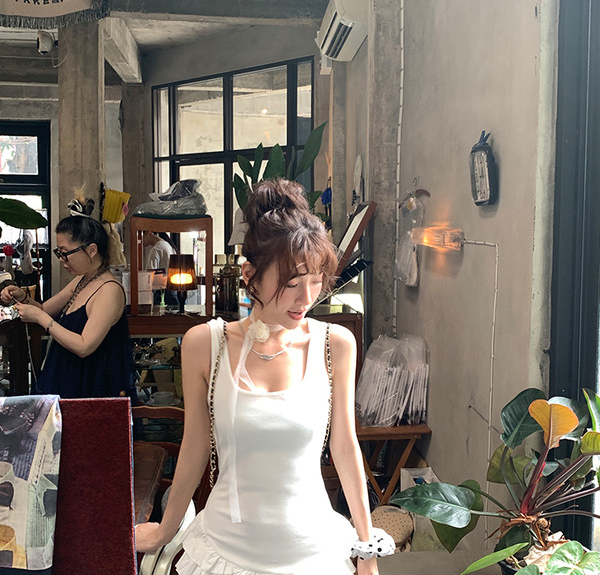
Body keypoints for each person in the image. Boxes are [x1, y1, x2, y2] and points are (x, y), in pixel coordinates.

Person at [135, 179, 394, 574]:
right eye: (292, 284)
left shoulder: (334, 344)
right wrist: (164, 531)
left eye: (315, 282)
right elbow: (195, 447)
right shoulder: (205, 344)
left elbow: (345, 446)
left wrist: (366, 551)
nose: (306, 299)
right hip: (225, 552)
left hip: (313, 555)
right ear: (250, 275)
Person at [0, 216, 135, 399]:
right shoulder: (82, 279)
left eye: (65, 253)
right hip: (66, 376)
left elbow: (84, 346)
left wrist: (41, 319)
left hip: (89, 386)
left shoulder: (109, 290)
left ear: (92, 250)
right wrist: (21, 296)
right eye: (59, 252)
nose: (62, 260)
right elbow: (44, 309)